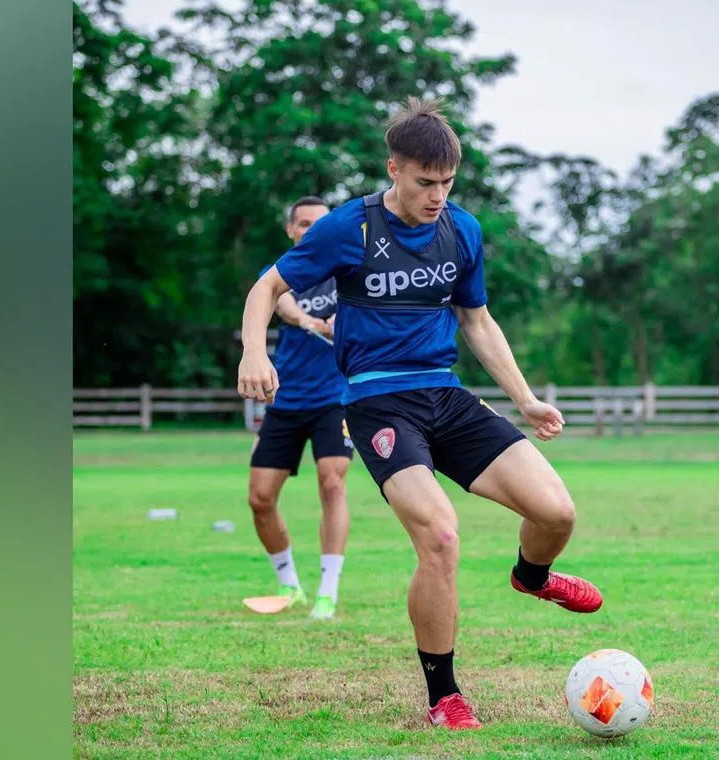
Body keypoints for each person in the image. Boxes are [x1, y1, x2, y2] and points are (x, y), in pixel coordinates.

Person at [237, 98, 602, 729]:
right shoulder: (349, 228)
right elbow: (267, 286)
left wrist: (525, 399)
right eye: (425, 182)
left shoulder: (461, 230)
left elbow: (476, 320)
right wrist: (253, 353)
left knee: (557, 511)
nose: (437, 196)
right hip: (376, 402)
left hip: (445, 395)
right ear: (395, 169)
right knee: (440, 537)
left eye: (447, 183)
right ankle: (444, 695)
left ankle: (532, 575)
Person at [246, 195, 355, 621]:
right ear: (291, 230)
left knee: (332, 483)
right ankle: (289, 583)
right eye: (304, 224)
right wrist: (309, 321)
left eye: (320, 224)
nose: (312, 231)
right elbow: (281, 302)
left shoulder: (348, 270)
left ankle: (328, 590)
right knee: (260, 498)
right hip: (286, 399)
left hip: (335, 399)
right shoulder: (280, 272)